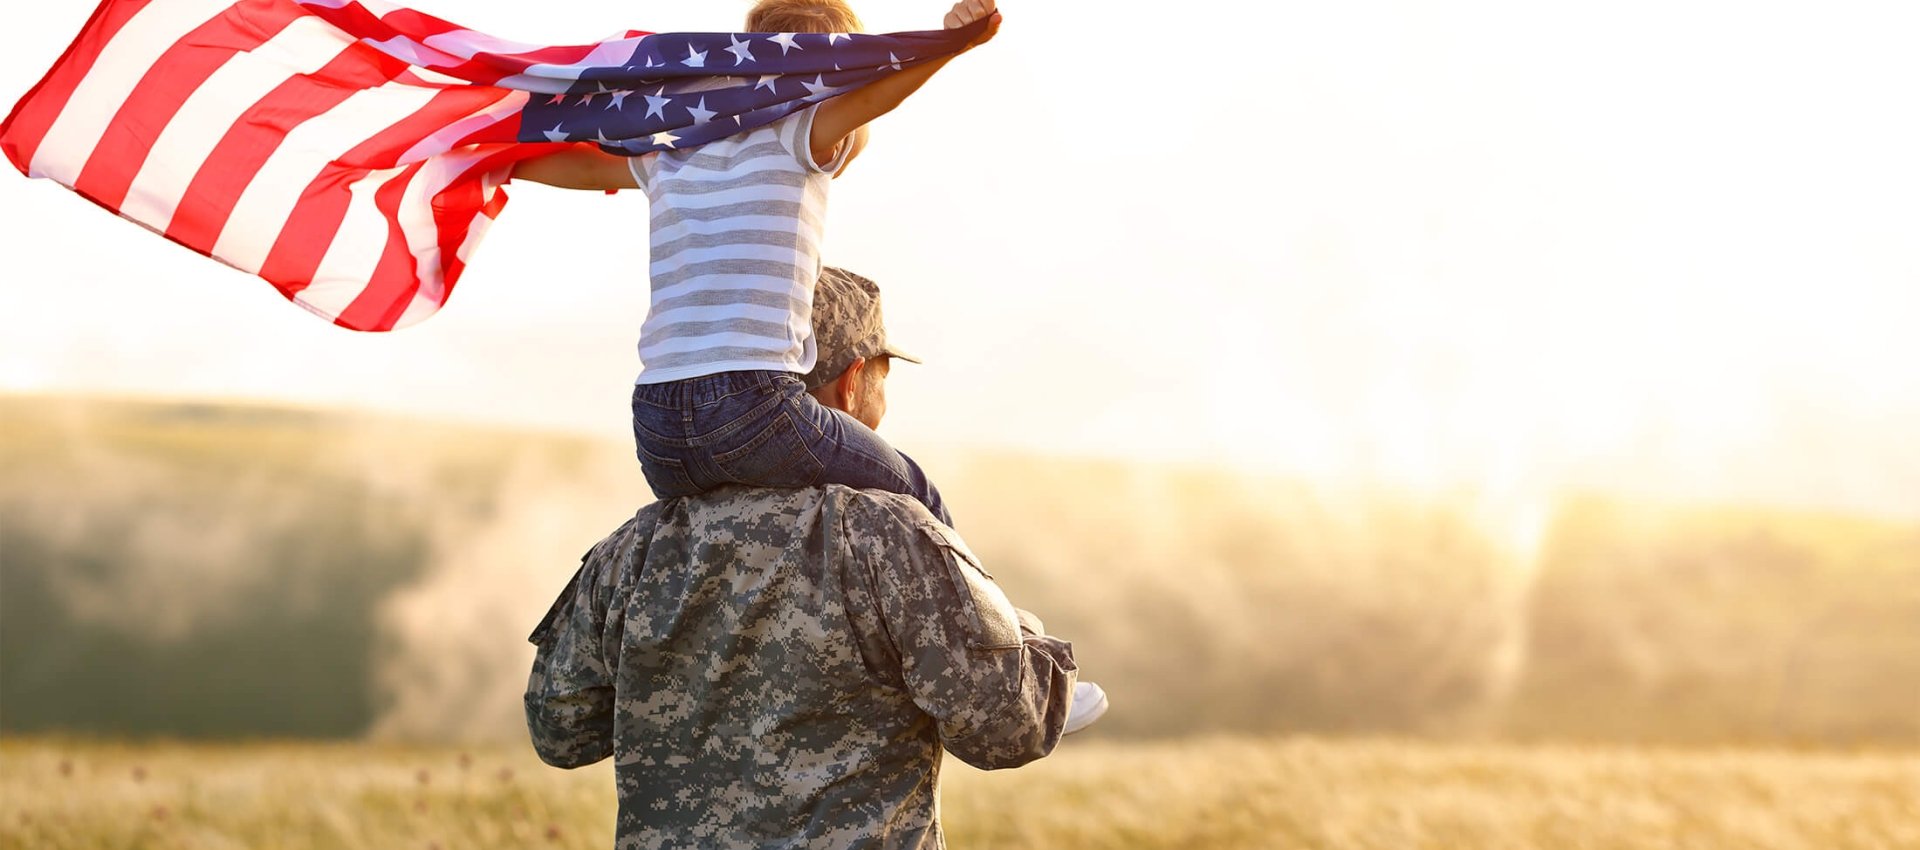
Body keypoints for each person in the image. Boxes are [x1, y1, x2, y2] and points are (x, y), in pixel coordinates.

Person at [525, 267, 1106, 849]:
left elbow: (561, 732)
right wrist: (1023, 634)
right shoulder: (888, 533)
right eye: (882, 376)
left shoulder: (634, 547)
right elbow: (1004, 726)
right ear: (852, 382)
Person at [510, 0, 1002, 527]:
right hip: (752, 408)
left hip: (657, 430)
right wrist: (952, 44)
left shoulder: (671, 147)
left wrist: (485, 158)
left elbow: (576, 166)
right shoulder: (797, 131)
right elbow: (877, 101)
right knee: (916, 492)